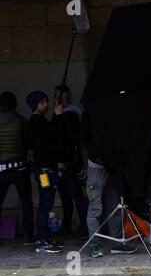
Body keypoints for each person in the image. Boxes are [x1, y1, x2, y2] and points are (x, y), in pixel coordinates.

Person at [81, 111, 137, 257]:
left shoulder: (114, 112)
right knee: (95, 209)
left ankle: (117, 243)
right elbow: (84, 140)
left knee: (116, 207)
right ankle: (95, 246)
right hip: (98, 164)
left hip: (113, 166)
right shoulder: (89, 113)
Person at [26, 91, 65, 253]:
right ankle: (42, 241)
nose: (46, 105)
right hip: (44, 172)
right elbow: (55, 134)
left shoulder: (38, 121)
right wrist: (58, 116)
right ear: (36, 104)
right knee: (45, 204)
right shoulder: (37, 121)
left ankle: (46, 238)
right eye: (43, 102)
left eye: (46, 101)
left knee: (46, 203)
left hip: (45, 170)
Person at [52, 85, 88, 238]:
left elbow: (65, 138)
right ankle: (67, 226)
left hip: (69, 163)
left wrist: (59, 117)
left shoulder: (70, 114)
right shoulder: (65, 114)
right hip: (64, 162)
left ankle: (85, 227)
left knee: (76, 197)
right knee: (66, 197)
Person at [0, 91, 35, 245]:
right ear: (15, 104)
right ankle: (29, 236)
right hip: (20, 169)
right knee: (26, 202)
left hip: (1, 170)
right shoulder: (21, 121)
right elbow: (29, 142)